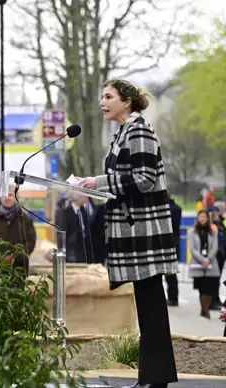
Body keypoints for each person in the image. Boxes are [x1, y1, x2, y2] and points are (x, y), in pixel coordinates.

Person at [78, 78, 178, 387]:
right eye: (102, 97)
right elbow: (123, 178)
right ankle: (152, 377)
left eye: (108, 96)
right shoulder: (123, 133)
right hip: (135, 234)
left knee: (152, 309)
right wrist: (96, 183)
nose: (102, 102)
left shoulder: (139, 131)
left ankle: (155, 379)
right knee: (148, 309)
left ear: (127, 101)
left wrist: (101, 184)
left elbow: (145, 179)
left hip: (145, 234)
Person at [0, 187, 36, 273]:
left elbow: (30, 241)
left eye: (10, 195)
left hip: (19, 268)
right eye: (4, 195)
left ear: (16, 197)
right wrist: (0, 257)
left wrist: (15, 257)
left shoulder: (25, 219)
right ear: (0, 197)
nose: (7, 198)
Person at [188, 210, 220, 319]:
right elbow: (192, 248)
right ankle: (205, 310)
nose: (202, 219)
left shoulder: (213, 232)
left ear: (208, 219)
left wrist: (208, 259)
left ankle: (205, 309)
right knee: (202, 288)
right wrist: (202, 260)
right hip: (198, 264)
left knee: (209, 288)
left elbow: (215, 247)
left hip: (211, 264)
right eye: (200, 217)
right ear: (197, 218)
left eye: (204, 217)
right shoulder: (192, 232)